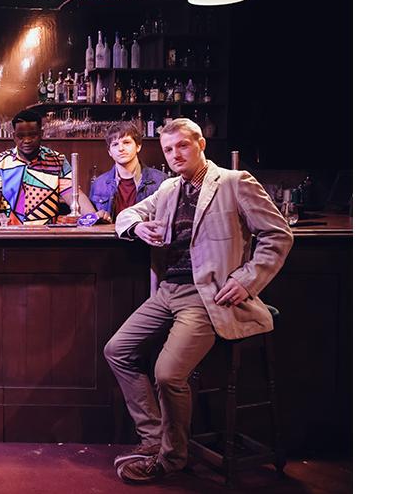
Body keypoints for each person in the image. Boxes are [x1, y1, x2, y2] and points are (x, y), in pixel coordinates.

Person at [106, 118, 293, 483]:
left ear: (201, 144)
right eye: (168, 149)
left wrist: (247, 280)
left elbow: (278, 235)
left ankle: (171, 458)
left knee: (167, 373)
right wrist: (137, 227)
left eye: (182, 146)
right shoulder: (169, 188)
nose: (175, 154)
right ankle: (155, 438)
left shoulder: (235, 182)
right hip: (167, 292)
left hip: (206, 296)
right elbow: (128, 213)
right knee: (117, 350)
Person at [0, 109, 73, 225]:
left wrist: (92, 216)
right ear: (14, 136)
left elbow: (74, 196)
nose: (27, 140)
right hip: (9, 234)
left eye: (32, 135)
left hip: (47, 235)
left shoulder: (58, 161)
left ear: (41, 134)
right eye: (21, 136)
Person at [89, 123, 167, 223]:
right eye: (115, 144)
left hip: (146, 233)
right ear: (109, 152)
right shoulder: (99, 184)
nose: (121, 149)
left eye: (126, 142)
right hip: (111, 233)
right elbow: (93, 222)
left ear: (138, 146)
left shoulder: (161, 180)